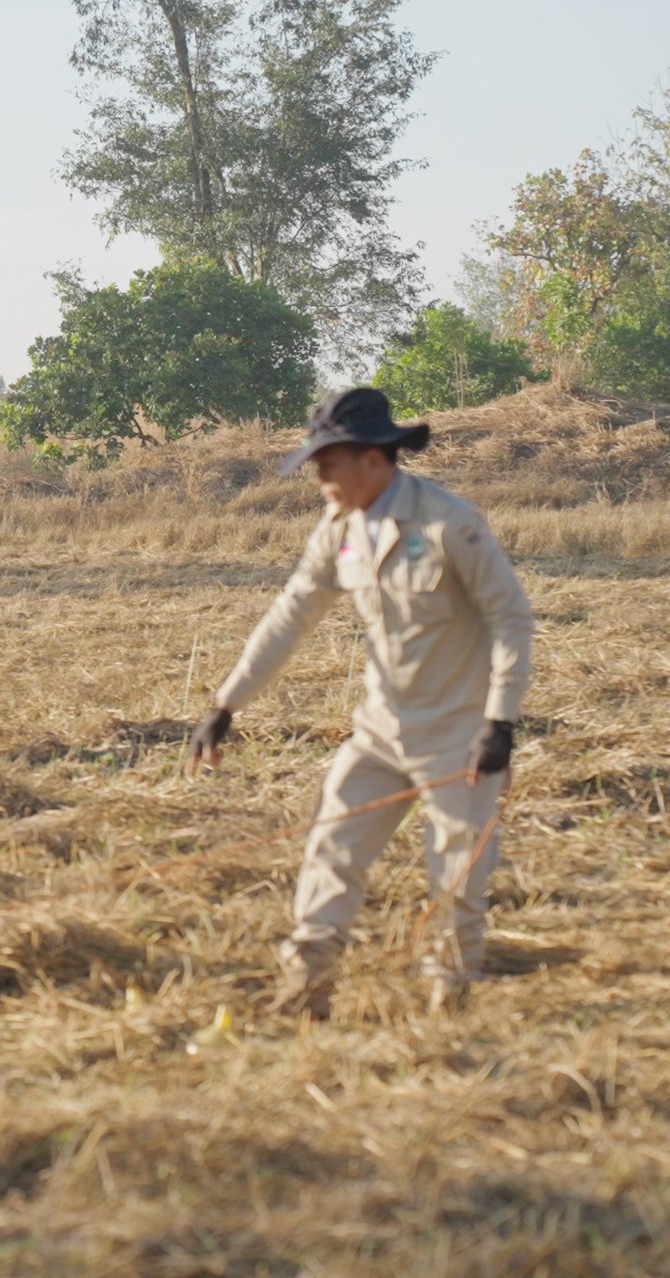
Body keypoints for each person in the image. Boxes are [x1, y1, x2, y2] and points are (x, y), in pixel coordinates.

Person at [187, 387, 534, 1017]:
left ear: (373, 459)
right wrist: (226, 704)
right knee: (330, 847)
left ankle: (449, 1001)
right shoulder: (339, 528)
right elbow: (291, 614)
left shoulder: (448, 522)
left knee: (457, 874)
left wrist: (500, 721)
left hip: (460, 734)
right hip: (380, 732)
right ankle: (308, 988)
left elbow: (511, 620)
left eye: (327, 465)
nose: (319, 479)